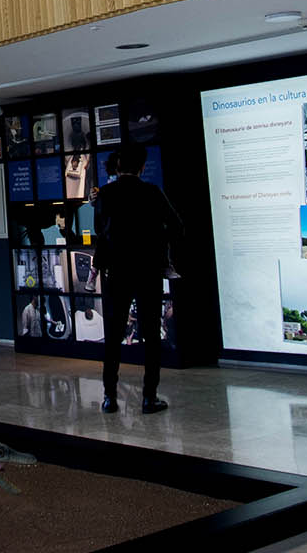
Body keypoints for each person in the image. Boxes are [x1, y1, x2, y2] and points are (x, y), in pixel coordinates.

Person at [93, 141, 184, 413]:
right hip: (148, 271)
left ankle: (110, 397)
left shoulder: (106, 195)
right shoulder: (152, 192)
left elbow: (100, 230)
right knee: (151, 337)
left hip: (117, 273)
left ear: (118, 167)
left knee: (113, 336)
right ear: (142, 168)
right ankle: (149, 397)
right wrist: (157, 239)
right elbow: (177, 226)